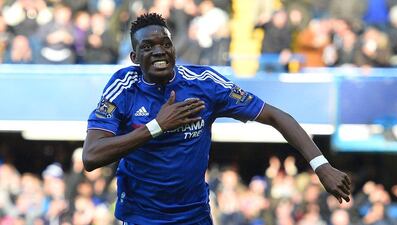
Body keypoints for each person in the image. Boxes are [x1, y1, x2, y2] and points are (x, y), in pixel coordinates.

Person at [82, 13, 351, 225]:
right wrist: (156, 127)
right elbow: (91, 157)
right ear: (134, 57)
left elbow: (275, 116)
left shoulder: (204, 84)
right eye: (148, 46)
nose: (160, 51)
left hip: (194, 216)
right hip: (142, 217)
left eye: (166, 44)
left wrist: (321, 166)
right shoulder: (124, 87)